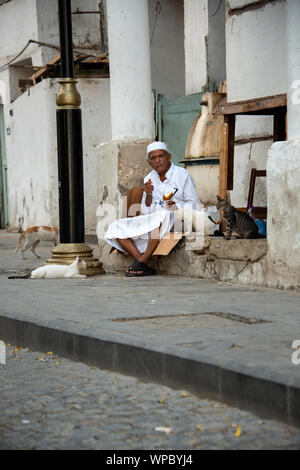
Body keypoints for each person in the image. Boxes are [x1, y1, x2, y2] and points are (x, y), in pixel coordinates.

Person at [104, 141, 201, 276]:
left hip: (178, 219)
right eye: (153, 158)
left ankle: (143, 260)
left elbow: (195, 205)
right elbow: (146, 211)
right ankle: (144, 263)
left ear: (168, 157)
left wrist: (175, 206)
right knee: (116, 227)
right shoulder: (149, 178)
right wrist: (148, 195)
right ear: (149, 162)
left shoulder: (182, 175)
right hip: (155, 221)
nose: (157, 161)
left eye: (160, 156)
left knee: (164, 214)